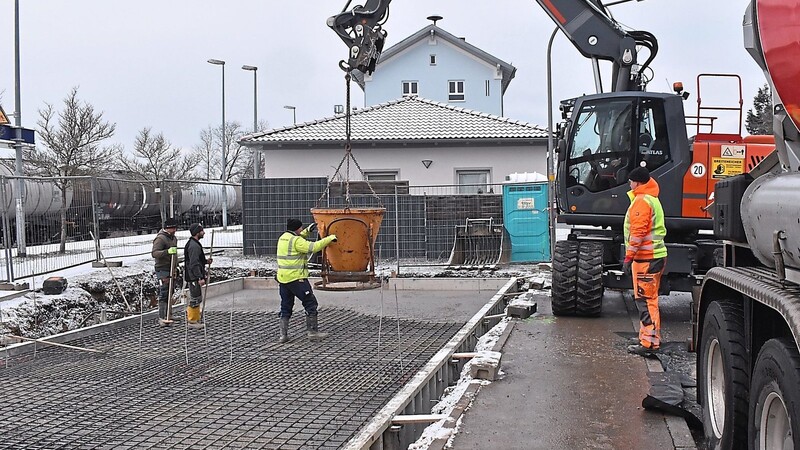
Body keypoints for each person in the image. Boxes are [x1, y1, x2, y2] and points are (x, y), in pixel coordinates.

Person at [623, 166, 667, 356]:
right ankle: (646, 337)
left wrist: (628, 257)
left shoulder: (641, 201)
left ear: (637, 182)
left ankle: (649, 343)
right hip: (651, 258)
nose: (629, 184)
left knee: (646, 301)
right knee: (646, 298)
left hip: (645, 259)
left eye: (631, 181)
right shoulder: (651, 199)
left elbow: (638, 232)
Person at [276, 218, 338, 343]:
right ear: (297, 228)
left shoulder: (283, 238)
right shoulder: (297, 241)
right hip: (297, 279)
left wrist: (308, 230)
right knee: (310, 303)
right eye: (301, 228)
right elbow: (313, 247)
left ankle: (283, 335)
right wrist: (330, 238)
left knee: (285, 306)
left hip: (283, 279)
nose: (301, 230)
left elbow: (297, 238)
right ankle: (313, 333)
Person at [151, 218, 179, 327]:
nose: (175, 230)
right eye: (173, 228)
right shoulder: (160, 239)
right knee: (164, 293)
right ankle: (162, 317)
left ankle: (169, 315)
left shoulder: (173, 238)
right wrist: (167, 252)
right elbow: (154, 253)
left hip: (171, 268)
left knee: (170, 292)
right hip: (163, 269)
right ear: (168, 228)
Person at [184, 223, 212, 329]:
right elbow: (194, 263)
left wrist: (205, 261)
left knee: (197, 298)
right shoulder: (193, 246)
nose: (203, 233)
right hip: (193, 277)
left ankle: (196, 319)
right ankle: (192, 321)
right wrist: (199, 277)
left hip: (194, 276)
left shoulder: (195, 244)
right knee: (195, 298)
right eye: (202, 231)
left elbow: (198, 260)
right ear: (197, 232)